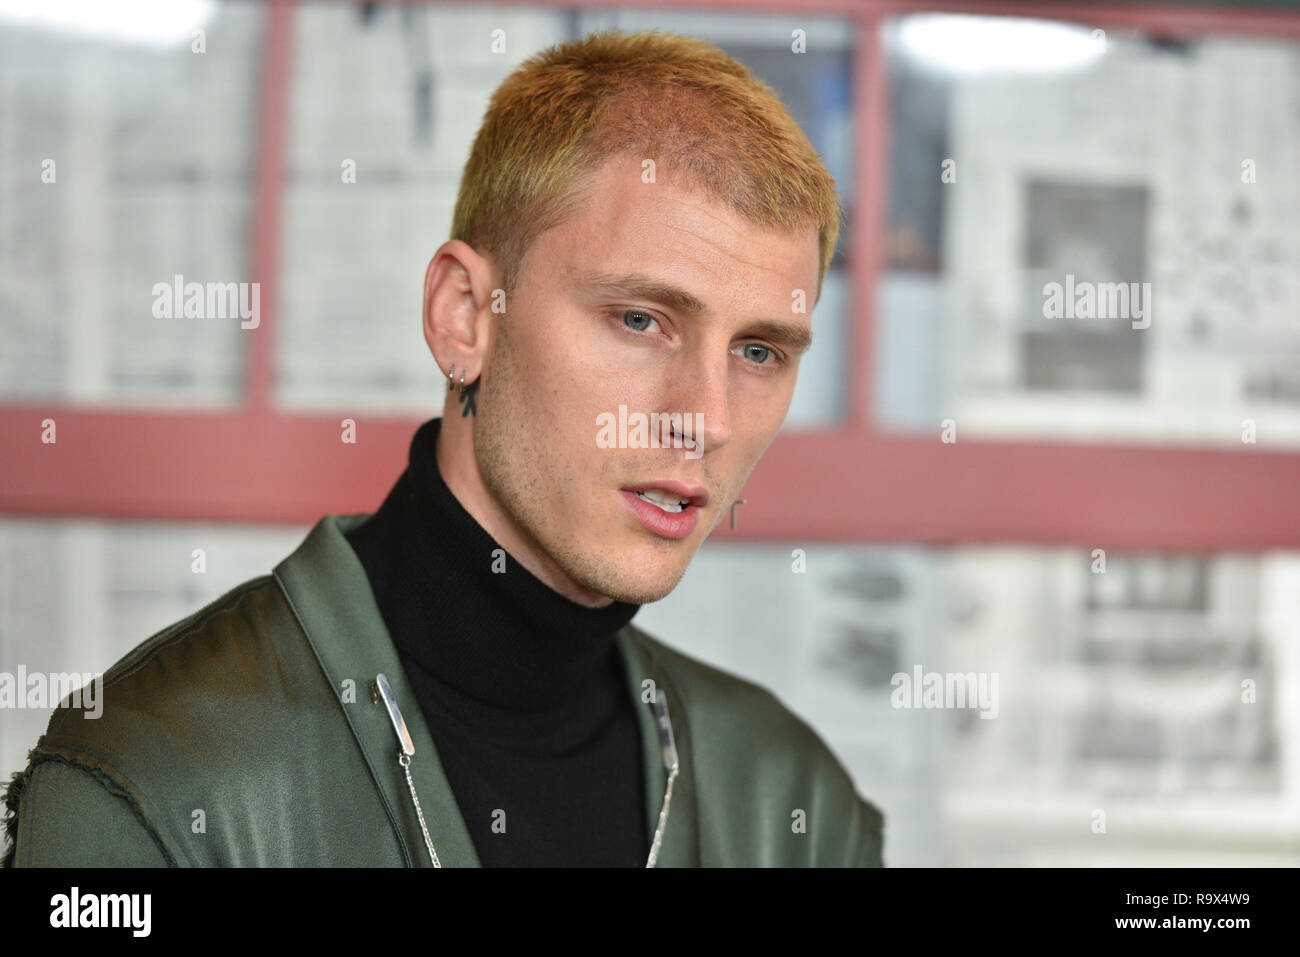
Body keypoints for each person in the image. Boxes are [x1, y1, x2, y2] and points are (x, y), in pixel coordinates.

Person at [2, 28, 883, 867]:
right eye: (641, 319)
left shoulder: (793, 804)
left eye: (759, 351)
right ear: (465, 317)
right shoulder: (155, 781)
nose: (707, 416)